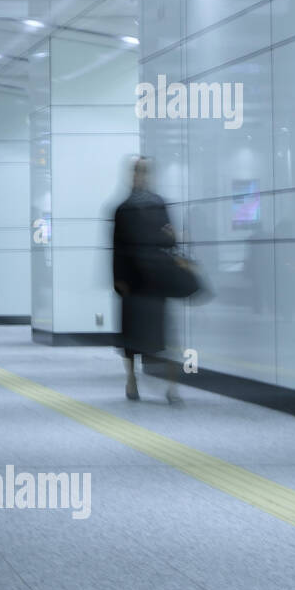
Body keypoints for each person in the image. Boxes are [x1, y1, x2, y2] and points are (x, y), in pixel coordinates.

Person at [113, 156, 180, 404]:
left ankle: (172, 388)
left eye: (144, 171)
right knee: (131, 338)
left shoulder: (158, 204)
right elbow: (116, 247)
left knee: (163, 336)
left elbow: (171, 241)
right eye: (137, 171)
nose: (140, 176)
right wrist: (119, 280)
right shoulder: (122, 208)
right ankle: (131, 381)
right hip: (132, 282)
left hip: (155, 279)